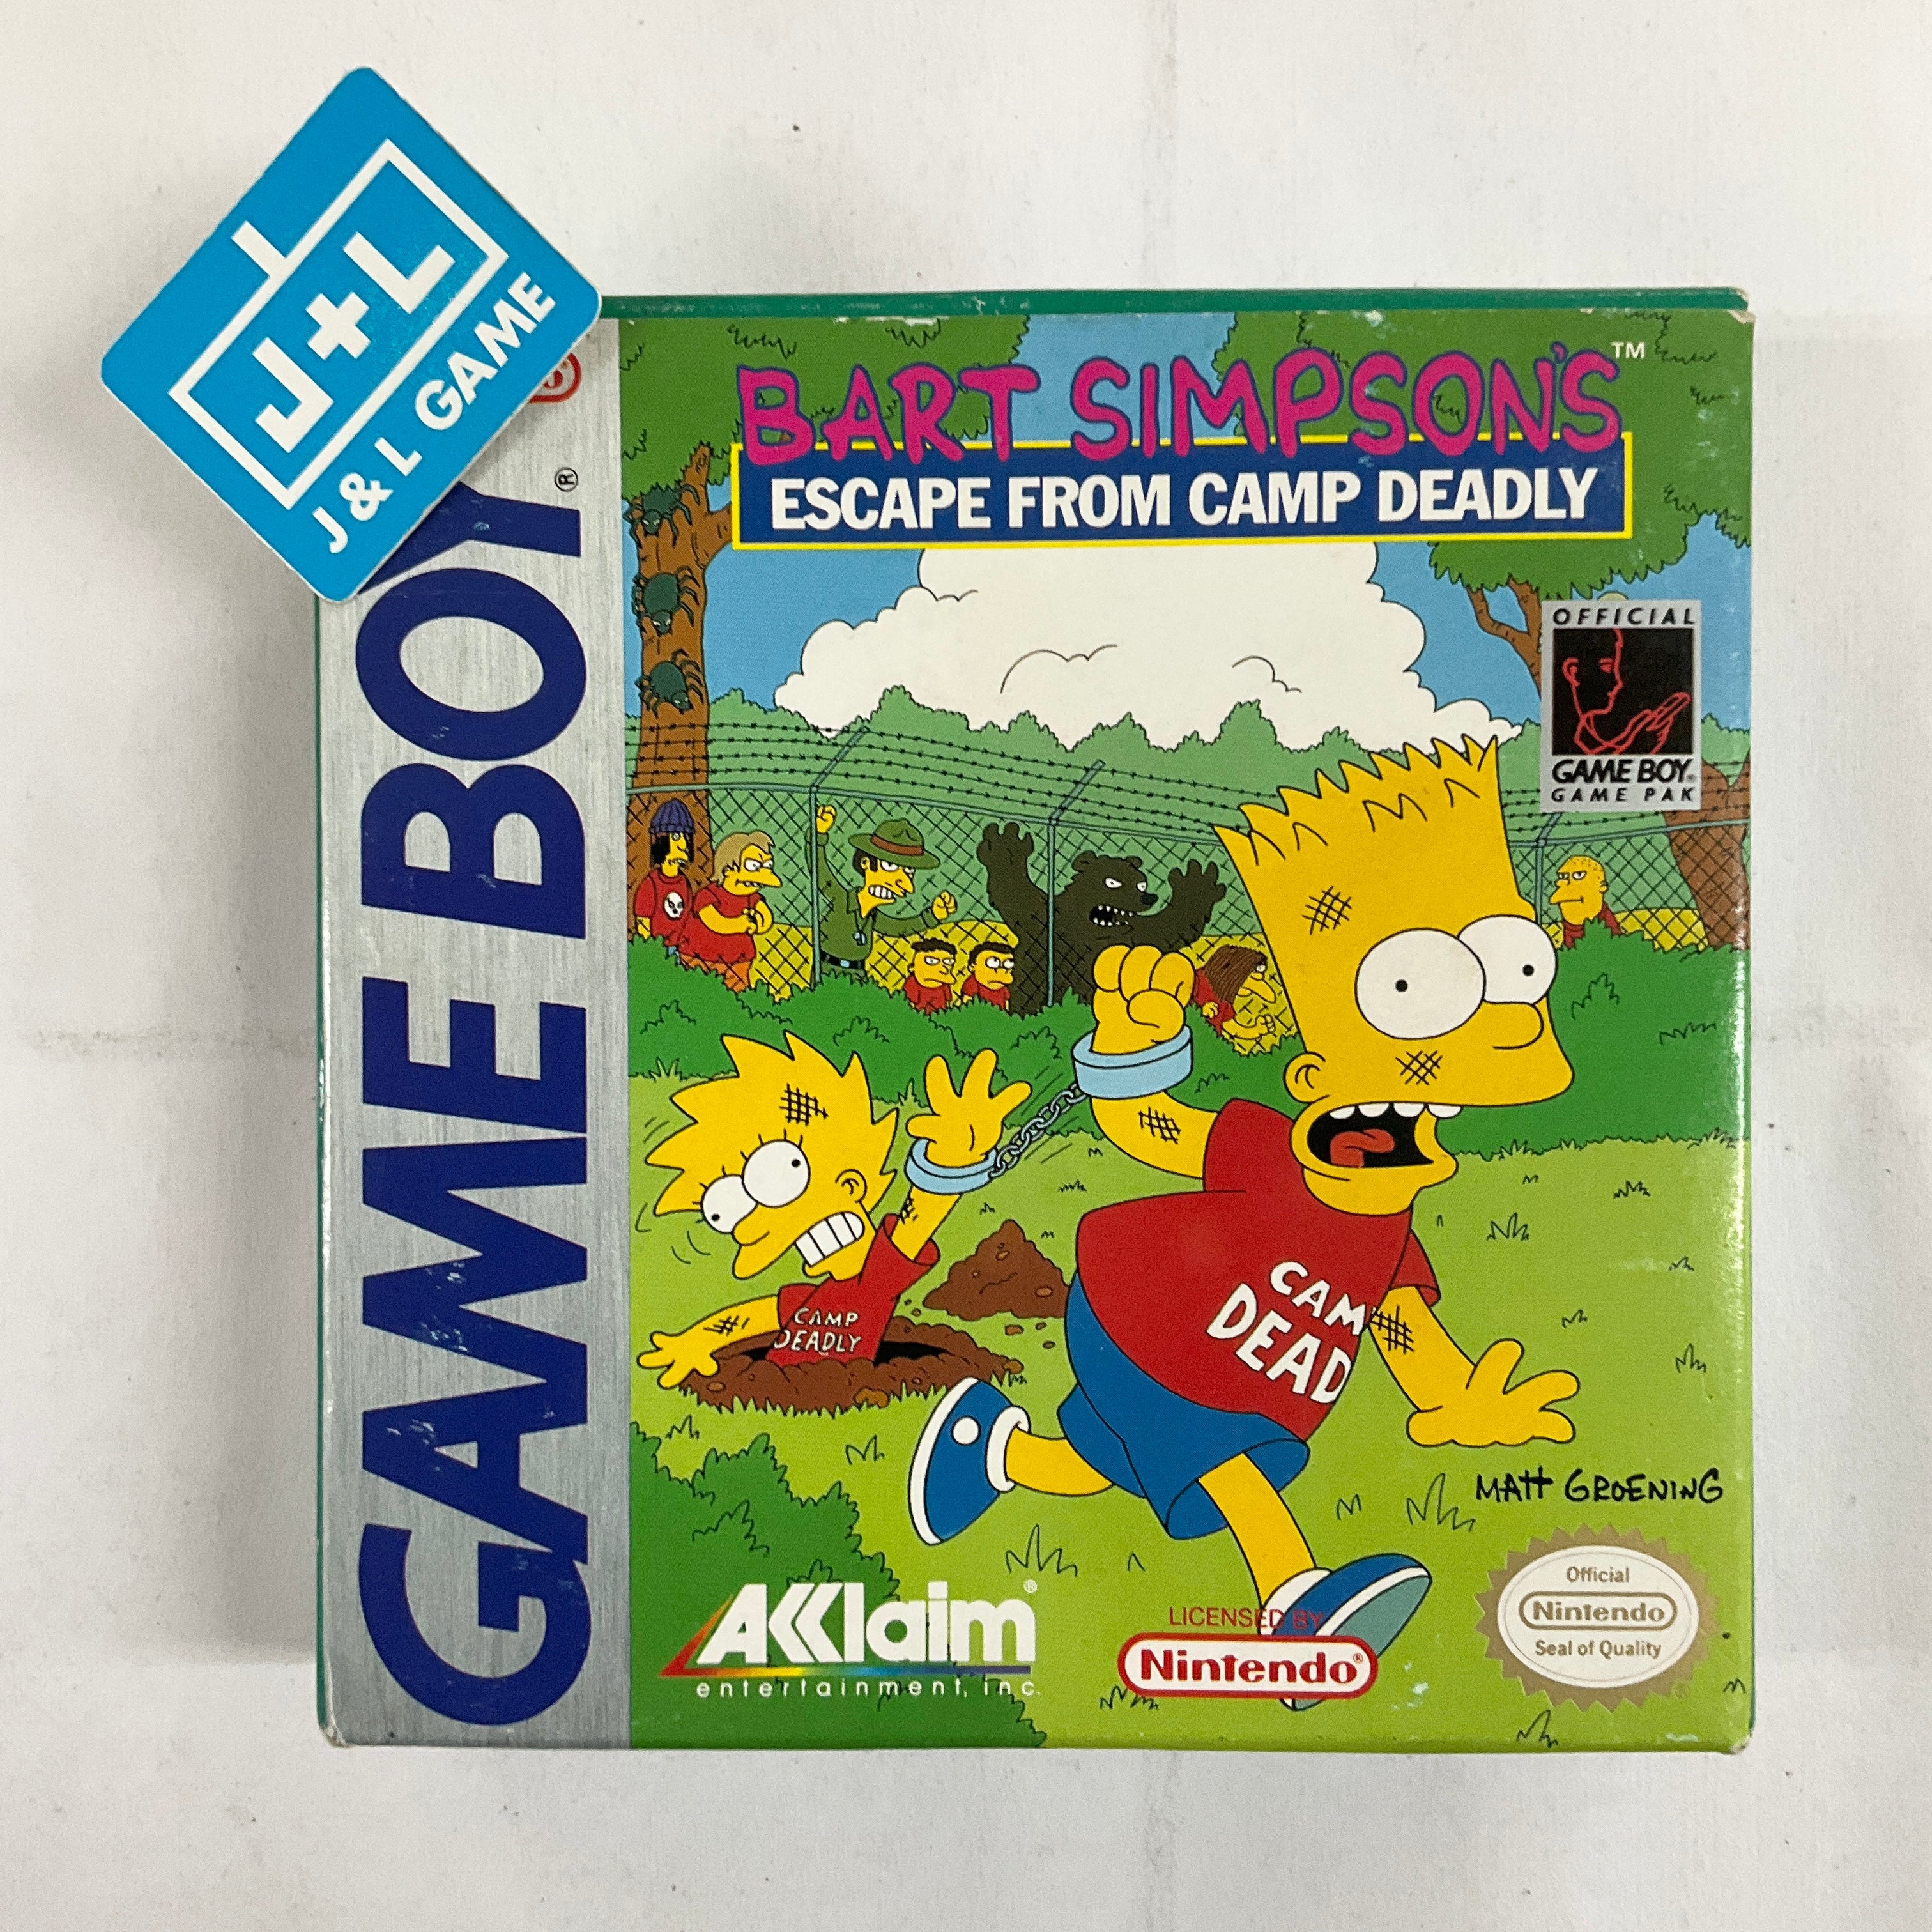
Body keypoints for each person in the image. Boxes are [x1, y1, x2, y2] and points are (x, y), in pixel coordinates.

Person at [911, 740, 1582, 1705]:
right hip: (1152, 1329)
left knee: (1109, 1460)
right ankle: (1296, 1602)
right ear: (1315, 1081)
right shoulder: (1271, 1148)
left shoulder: (1391, 1230)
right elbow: (1150, 1128)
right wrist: (1130, 1050)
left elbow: (1397, 1325)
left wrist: (1455, 1397)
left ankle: (993, 1450)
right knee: (1217, 1460)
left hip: (1252, 1376)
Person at [638, 1038, 1029, 1377]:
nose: (746, 1228)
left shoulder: (875, 1284)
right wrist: (694, 1341)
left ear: (852, 1185)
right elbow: (748, 1320)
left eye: (778, 1174)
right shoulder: (811, 1300)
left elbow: (913, 1227)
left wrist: (949, 1163)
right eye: (730, 1207)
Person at [812, 806, 956, 978]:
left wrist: (932, 916)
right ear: (866, 863)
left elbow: (898, 928)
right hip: (827, 970)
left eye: (909, 872)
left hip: (858, 974)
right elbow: (820, 871)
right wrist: (818, 834)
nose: (905, 885)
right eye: (891, 866)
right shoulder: (841, 899)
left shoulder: (873, 916)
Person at [678, 831, 779, 994]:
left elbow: (765, 915)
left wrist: (761, 924)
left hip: (739, 960)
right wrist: (741, 924)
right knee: (699, 992)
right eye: (753, 866)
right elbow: (714, 921)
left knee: (737, 993)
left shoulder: (751, 897)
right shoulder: (709, 895)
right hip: (701, 957)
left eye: (766, 866)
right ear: (727, 869)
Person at [633, 799, 695, 948]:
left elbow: (689, 918)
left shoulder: (684, 883)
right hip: (658, 948)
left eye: (685, 837)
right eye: (676, 837)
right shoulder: (651, 884)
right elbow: (643, 924)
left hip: (682, 947)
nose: (683, 845)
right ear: (662, 841)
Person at [1549, 854, 1621, 947]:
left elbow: (1615, 941)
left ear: (1602, 887)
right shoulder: (1570, 924)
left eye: (1579, 875)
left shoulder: (1605, 919)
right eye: (1563, 876)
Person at [902, 936, 958, 1014]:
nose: (944, 969)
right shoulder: (913, 983)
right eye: (931, 961)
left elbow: (947, 1002)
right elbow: (909, 1005)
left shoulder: (944, 985)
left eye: (948, 962)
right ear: (912, 968)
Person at [960, 941, 1015, 1010]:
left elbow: (1006, 1003)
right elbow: (967, 1003)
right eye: (993, 963)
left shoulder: (1002, 988)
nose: (1001, 970)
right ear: (973, 967)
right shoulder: (973, 983)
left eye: (1008, 965)